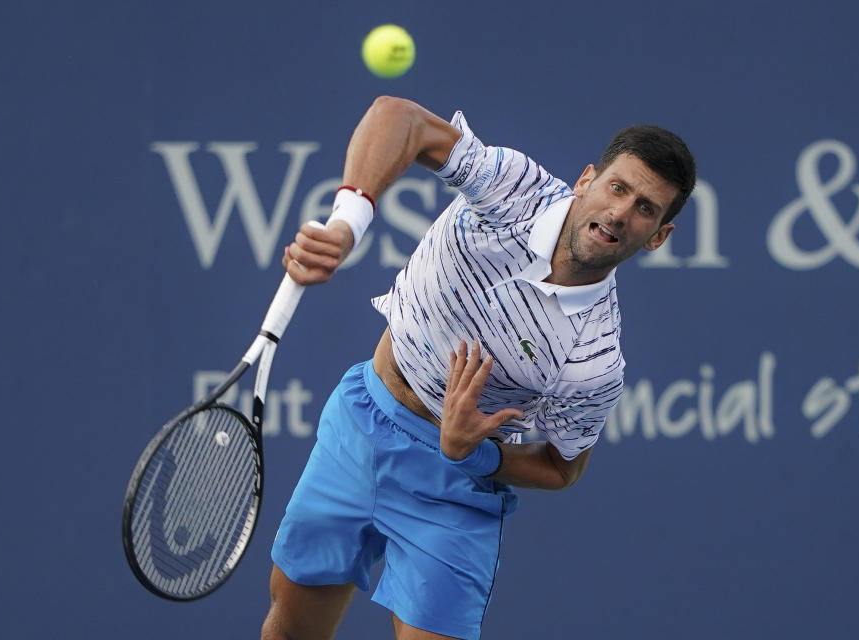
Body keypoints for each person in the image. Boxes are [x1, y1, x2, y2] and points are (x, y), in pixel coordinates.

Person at [261, 95, 696, 640]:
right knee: (290, 628)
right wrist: (349, 224)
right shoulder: (516, 188)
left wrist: (476, 451)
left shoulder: (595, 360)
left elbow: (564, 469)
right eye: (618, 188)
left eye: (645, 209)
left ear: (658, 236)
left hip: (453, 489)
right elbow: (399, 117)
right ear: (587, 179)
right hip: (360, 425)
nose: (619, 213)